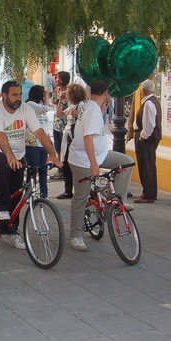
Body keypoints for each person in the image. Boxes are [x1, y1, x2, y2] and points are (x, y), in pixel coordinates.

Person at [0, 80, 62, 249]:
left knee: (17, 192)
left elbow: (39, 132)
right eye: (14, 95)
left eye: (20, 94)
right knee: (4, 167)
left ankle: (12, 231)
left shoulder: (25, 109)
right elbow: (0, 136)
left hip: (18, 154)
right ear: (4, 96)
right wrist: (9, 156)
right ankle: (2, 209)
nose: (18, 98)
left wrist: (52, 154)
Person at [67, 80, 134, 252]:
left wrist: (103, 110)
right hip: (83, 160)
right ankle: (76, 235)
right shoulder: (91, 110)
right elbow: (88, 137)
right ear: (106, 93)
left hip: (100, 154)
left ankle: (117, 201)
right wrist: (93, 164)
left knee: (126, 162)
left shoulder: (91, 106)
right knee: (80, 198)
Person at [134, 79, 161, 204]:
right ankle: (149, 192)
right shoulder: (152, 101)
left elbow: (149, 125)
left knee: (146, 166)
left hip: (146, 140)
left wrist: (142, 137)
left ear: (143, 90)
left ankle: (148, 194)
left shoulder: (149, 104)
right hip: (149, 139)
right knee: (148, 165)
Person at [24, 85, 53, 199]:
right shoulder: (30, 105)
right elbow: (45, 109)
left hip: (43, 144)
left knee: (43, 170)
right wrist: (46, 96)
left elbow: (45, 126)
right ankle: (29, 195)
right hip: (33, 144)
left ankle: (43, 195)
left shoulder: (40, 106)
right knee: (32, 171)